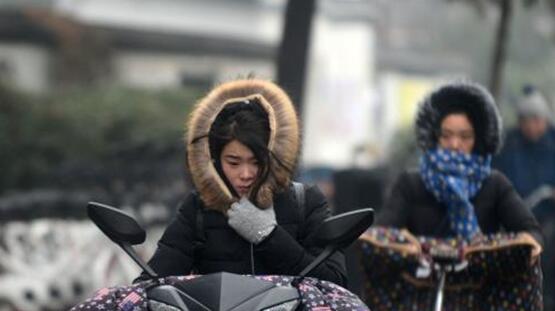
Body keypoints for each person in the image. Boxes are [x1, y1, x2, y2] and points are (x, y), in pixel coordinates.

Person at [136, 79, 346, 286]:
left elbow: (334, 283)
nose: (245, 174)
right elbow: (153, 281)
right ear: (216, 161)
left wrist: (269, 236)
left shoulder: (306, 202)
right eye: (234, 162)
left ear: (273, 158)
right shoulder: (198, 208)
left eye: (256, 162)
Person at [376, 80, 543, 251]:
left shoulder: (494, 185)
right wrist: (405, 244)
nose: (455, 144)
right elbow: (381, 235)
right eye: (446, 135)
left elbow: (530, 233)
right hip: (419, 277)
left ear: (478, 140)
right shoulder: (410, 184)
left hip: (480, 277)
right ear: (435, 137)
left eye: (465, 137)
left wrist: (503, 247)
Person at [494, 85, 555, 310]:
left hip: (547, 218)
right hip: (514, 220)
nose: (531, 126)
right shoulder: (508, 145)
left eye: (536, 119)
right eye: (526, 120)